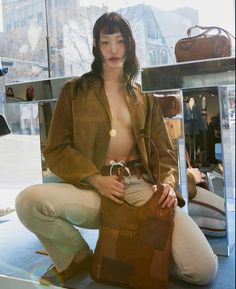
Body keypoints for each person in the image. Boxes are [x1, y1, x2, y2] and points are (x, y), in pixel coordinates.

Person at [15, 12, 218, 288]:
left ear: (129, 45)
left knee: (203, 270)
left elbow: (165, 152)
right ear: (96, 46)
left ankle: (140, 256)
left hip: (139, 188)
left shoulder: (142, 96)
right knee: (28, 202)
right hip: (93, 190)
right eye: (105, 41)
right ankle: (77, 257)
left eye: (120, 41)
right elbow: (56, 149)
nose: (113, 49)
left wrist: (168, 185)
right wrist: (94, 178)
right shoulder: (74, 92)